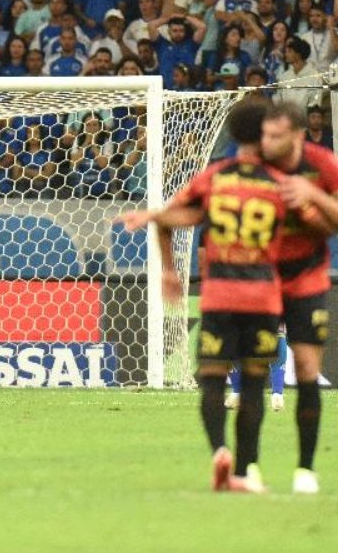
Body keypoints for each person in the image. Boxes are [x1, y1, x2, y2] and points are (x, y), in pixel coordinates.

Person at [116, 99, 330, 493]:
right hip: (263, 295)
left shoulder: (216, 177)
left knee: (213, 378)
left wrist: (155, 219)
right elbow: (313, 226)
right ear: (261, 135)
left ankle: (220, 452)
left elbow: (184, 216)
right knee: (252, 383)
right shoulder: (278, 184)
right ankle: (248, 468)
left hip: (219, 293)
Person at [257, 101, 338, 494]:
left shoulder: (323, 165)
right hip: (261, 280)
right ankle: (247, 467)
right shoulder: (254, 165)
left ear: (299, 135)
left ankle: (305, 469)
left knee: (306, 372)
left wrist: (313, 196)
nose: (268, 142)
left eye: (276, 135)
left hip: (306, 280)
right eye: (265, 134)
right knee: (254, 366)